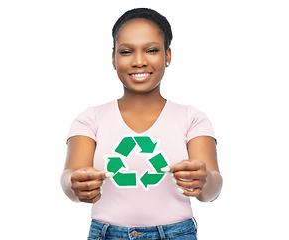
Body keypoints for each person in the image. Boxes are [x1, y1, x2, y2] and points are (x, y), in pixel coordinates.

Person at [61, 8, 223, 240]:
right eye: (126, 51)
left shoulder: (192, 118)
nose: (139, 61)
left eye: (152, 50)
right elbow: (70, 176)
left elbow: (212, 190)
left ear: (167, 56)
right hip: (107, 234)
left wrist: (205, 177)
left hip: (177, 233)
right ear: (113, 58)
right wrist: (74, 184)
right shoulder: (90, 119)